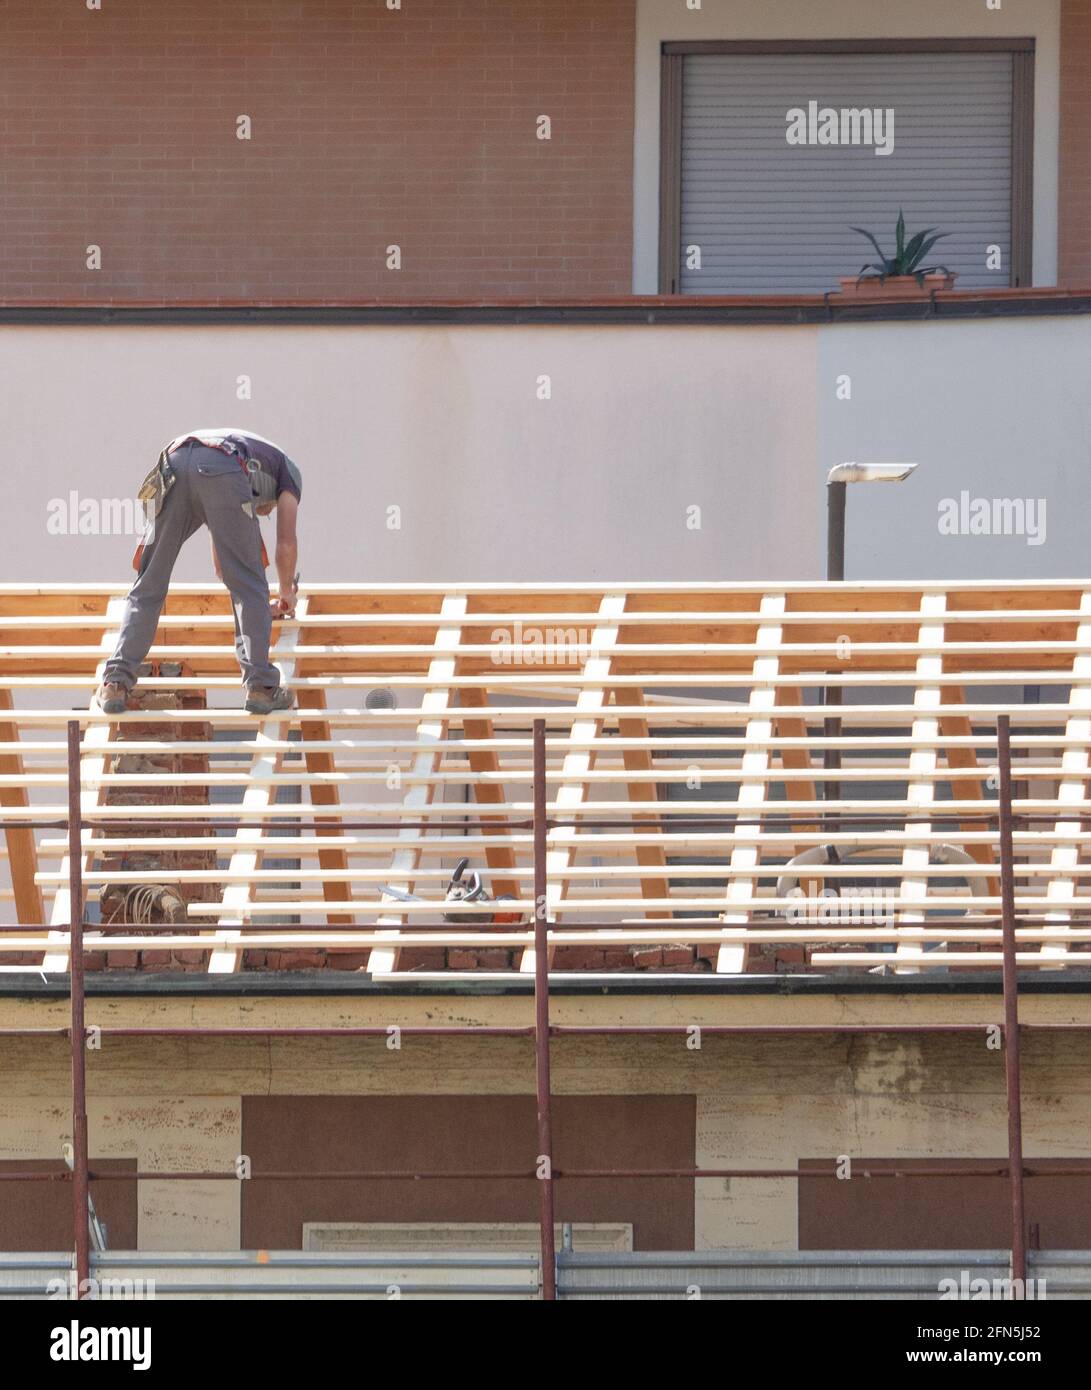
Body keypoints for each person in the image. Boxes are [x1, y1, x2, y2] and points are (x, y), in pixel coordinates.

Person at [96, 428, 301, 716]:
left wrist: (257, 607)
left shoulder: (250, 457)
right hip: (223, 466)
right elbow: (286, 542)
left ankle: (114, 683)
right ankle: (261, 688)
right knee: (250, 584)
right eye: (266, 512)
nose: (264, 513)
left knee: (148, 583)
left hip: (174, 461)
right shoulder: (288, 472)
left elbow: (222, 567)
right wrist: (286, 592)